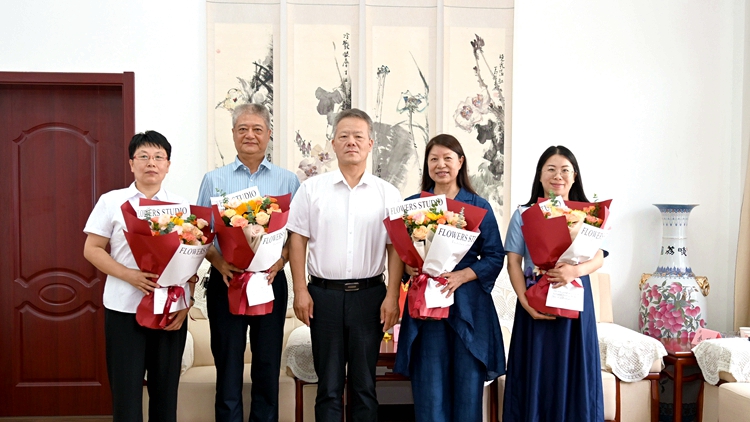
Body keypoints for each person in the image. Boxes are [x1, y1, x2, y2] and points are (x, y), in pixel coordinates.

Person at [287, 108, 404, 422]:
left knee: (365, 387)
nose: (351, 142)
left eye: (358, 136)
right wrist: (300, 290)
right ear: (333, 144)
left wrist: (392, 296)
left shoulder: (388, 193)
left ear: (370, 144)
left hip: (370, 297)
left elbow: (395, 248)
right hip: (323, 296)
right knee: (328, 387)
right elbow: (297, 240)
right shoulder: (311, 190)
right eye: (344, 136)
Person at [196, 103, 300, 422]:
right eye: (243, 129)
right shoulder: (213, 179)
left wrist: (281, 261)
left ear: (269, 134)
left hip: (269, 281)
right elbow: (200, 233)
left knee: (267, 363)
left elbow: (298, 235)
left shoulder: (287, 181)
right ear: (233, 134)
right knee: (227, 364)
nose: (250, 135)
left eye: (257, 129)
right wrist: (219, 262)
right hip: (226, 281)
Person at [393, 134, 506, 422]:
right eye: (434, 159)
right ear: (427, 165)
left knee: (467, 388)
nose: (440, 165)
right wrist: (410, 267)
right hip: (426, 306)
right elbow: (402, 255)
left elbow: (495, 255)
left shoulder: (479, 206)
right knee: (429, 387)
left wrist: (462, 276)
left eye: (447, 158)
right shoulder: (413, 205)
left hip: (469, 307)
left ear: (460, 162)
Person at [83, 130, 195, 422]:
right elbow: (92, 249)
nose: (151, 163)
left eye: (159, 157)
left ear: (168, 165)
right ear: (132, 163)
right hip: (124, 309)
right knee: (126, 395)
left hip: (169, 311)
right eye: (143, 156)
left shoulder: (182, 207)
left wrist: (187, 304)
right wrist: (129, 275)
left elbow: (191, 261)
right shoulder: (112, 201)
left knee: (165, 395)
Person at [502, 145, 605, 421]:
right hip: (536, 302)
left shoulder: (588, 214)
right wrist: (525, 302)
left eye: (565, 170)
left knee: (575, 372)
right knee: (537, 373)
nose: (558, 176)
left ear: (574, 177)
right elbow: (513, 262)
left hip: (575, 304)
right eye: (551, 169)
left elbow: (598, 258)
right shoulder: (524, 213)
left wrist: (574, 271)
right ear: (540, 175)